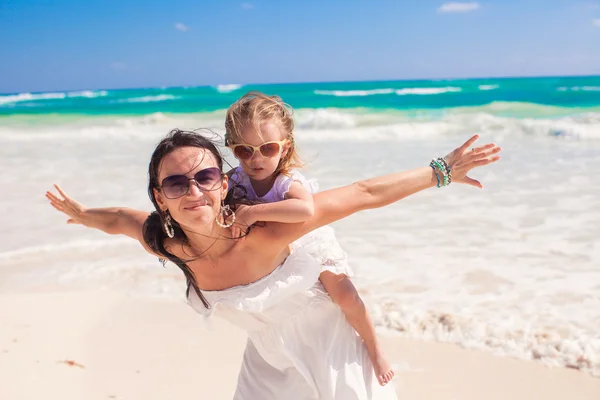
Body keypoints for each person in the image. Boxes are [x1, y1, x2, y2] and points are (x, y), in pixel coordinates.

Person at [46, 129, 501, 400]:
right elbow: (120, 219)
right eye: (176, 183)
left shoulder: (266, 233)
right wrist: (83, 214)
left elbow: (361, 194)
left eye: (205, 177)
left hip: (331, 342)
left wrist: (440, 171)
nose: (194, 192)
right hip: (266, 356)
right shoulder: (168, 244)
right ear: (159, 197)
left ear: (224, 185)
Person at [224, 91, 393, 385]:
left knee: (344, 295)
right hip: (274, 248)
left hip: (309, 239)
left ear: (285, 147)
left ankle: (375, 347)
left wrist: (252, 213)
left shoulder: (287, 181)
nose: (256, 158)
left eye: (268, 148)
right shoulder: (235, 179)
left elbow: (305, 209)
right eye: (244, 150)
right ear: (232, 148)